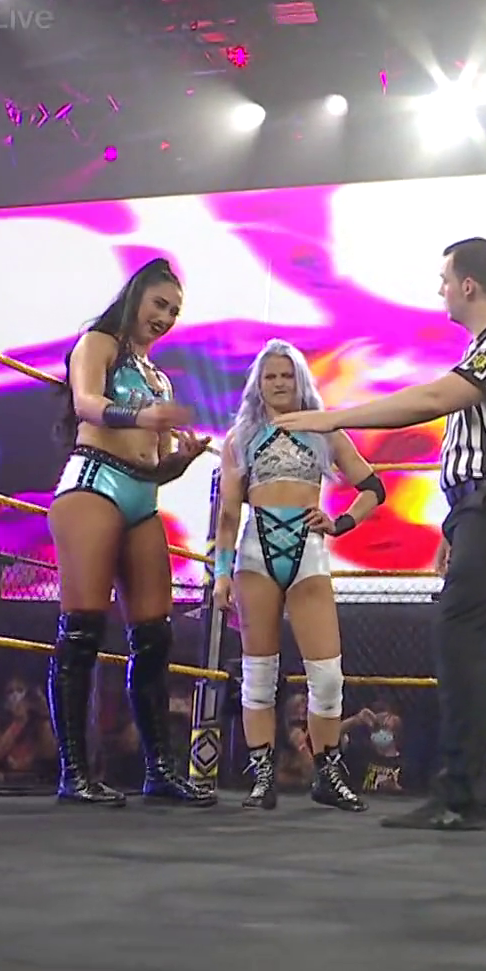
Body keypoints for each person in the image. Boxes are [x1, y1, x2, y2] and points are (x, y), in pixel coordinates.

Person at [275, 237, 486, 831]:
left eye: (446, 279)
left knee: (461, 638)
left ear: (469, 285)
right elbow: (474, 445)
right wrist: (455, 524)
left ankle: (458, 796)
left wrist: (333, 417)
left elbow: (431, 399)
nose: (441, 289)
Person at [48, 257, 213, 807]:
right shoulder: (99, 343)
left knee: (155, 636)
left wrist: (183, 460)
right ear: (136, 296)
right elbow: (86, 404)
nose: (165, 317)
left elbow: (156, 464)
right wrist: (143, 418)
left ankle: (160, 771)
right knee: (83, 629)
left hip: (143, 496)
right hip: (94, 482)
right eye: (159, 304)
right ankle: (75, 773)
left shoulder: (158, 377)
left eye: (174, 311)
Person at [215, 339, 386, 811]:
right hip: (255, 552)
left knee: (327, 676)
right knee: (258, 673)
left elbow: (373, 486)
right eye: (269, 376)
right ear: (258, 384)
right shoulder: (240, 437)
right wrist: (221, 573)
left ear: (300, 379)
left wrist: (341, 523)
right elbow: (228, 514)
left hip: (308, 551)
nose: (278, 383)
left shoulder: (323, 429)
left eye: (286, 375)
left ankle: (327, 774)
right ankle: (262, 778)